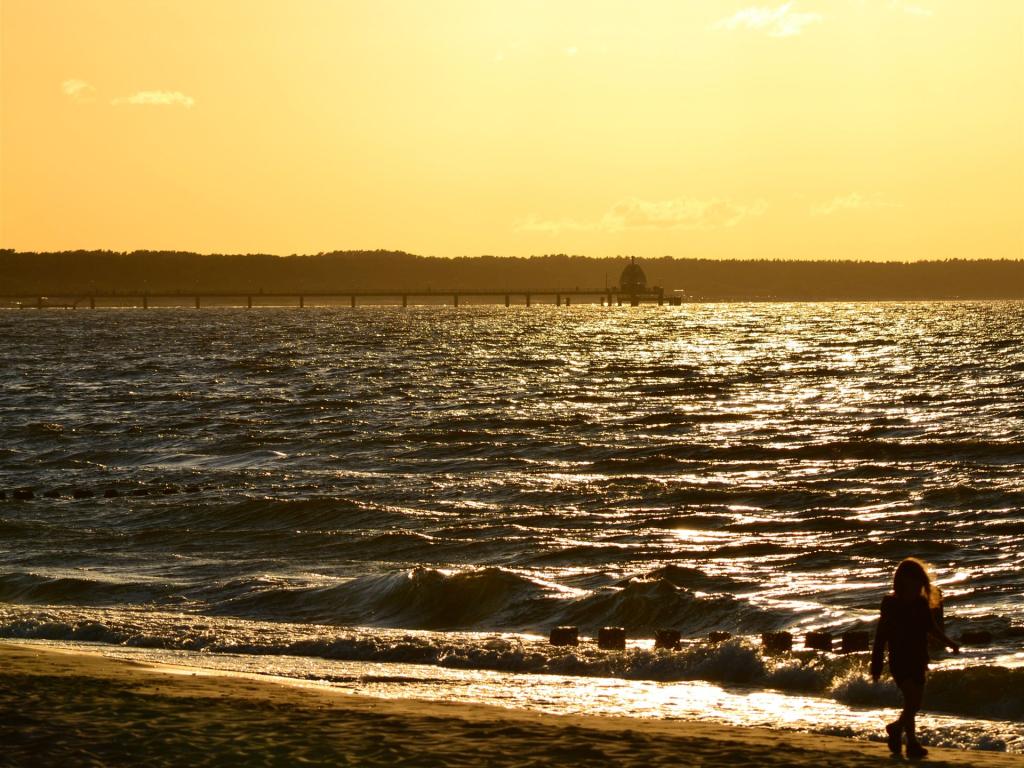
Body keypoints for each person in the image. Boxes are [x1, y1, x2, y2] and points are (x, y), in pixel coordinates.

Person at [871, 558, 960, 758]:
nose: (917, 584)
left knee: (911, 702)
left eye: (919, 580)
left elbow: (932, 628)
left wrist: (950, 643)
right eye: (913, 579)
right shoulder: (891, 604)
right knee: (913, 702)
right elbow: (881, 636)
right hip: (899, 659)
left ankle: (910, 743)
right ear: (902, 580)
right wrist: (876, 665)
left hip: (919, 659)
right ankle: (897, 729)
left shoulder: (920, 603)